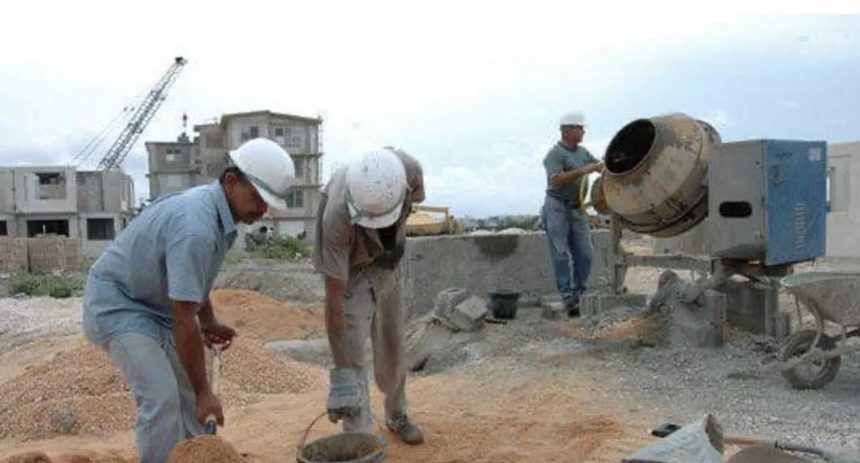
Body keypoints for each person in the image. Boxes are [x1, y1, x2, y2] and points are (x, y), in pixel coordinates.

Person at [82, 138, 296, 463]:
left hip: (157, 306)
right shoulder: (197, 227)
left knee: (187, 395)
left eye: (267, 203)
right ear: (230, 182)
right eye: (257, 197)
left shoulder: (219, 217)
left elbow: (193, 283)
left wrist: (207, 321)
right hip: (118, 303)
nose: (263, 210)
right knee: (162, 397)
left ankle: (200, 456)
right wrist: (205, 392)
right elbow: (183, 317)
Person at [313, 147, 425, 445]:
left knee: (393, 341)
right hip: (353, 271)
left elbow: (418, 200)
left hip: (389, 264)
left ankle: (397, 414)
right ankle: (359, 438)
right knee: (351, 351)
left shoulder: (409, 170)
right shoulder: (336, 219)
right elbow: (334, 300)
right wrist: (341, 374)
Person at [541, 111, 603, 317]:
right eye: (580, 128)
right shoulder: (555, 155)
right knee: (560, 254)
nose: (583, 132)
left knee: (585, 254)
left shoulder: (583, 152)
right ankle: (567, 295)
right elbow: (556, 180)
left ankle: (579, 294)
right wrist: (582, 171)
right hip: (556, 207)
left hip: (577, 208)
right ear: (567, 131)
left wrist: (609, 164)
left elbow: (599, 167)